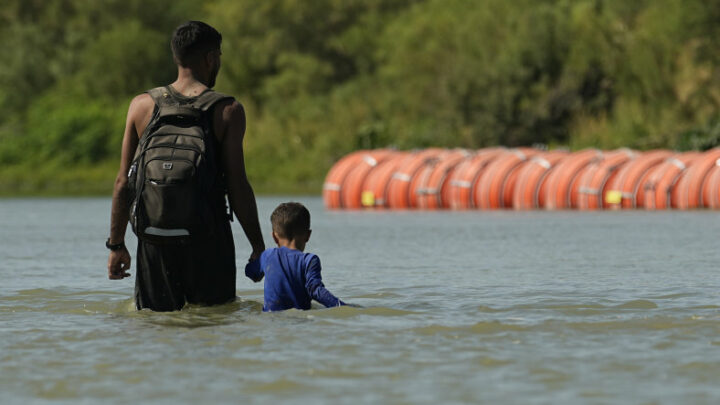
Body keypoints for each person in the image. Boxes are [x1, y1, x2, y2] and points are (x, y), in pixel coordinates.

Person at [106, 21, 265, 311]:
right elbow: (237, 185)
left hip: (154, 240)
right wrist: (258, 246)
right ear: (210, 58)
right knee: (213, 319)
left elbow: (122, 182)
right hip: (208, 240)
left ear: (176, 56)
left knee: (156, 324)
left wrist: (116, 245)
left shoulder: (141, 105)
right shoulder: (228, 111)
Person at [245, 202, 345, 311]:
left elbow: (251, 273)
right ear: (308, 235)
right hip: (300, 321)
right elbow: (315, 290)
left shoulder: (267, 256)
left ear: (274, 236)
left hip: (271, 320)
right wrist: (342, 306)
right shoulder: (309, 260)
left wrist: (254, 258)